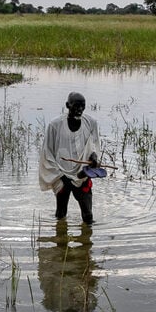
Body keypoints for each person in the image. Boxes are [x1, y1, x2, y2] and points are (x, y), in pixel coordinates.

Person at [38, 92, 102, 224]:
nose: (79, 110)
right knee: (61, 214)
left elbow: (94, 144)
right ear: (67, 105)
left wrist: (94, 157)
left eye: (82, 107)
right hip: (61, 175)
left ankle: (86, 241)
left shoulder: (91, 123)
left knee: (88, 216)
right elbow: (47, 153)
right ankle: (61, 240)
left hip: (82, 174)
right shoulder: (54, 125)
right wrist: (61, 176)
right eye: (76, 106)